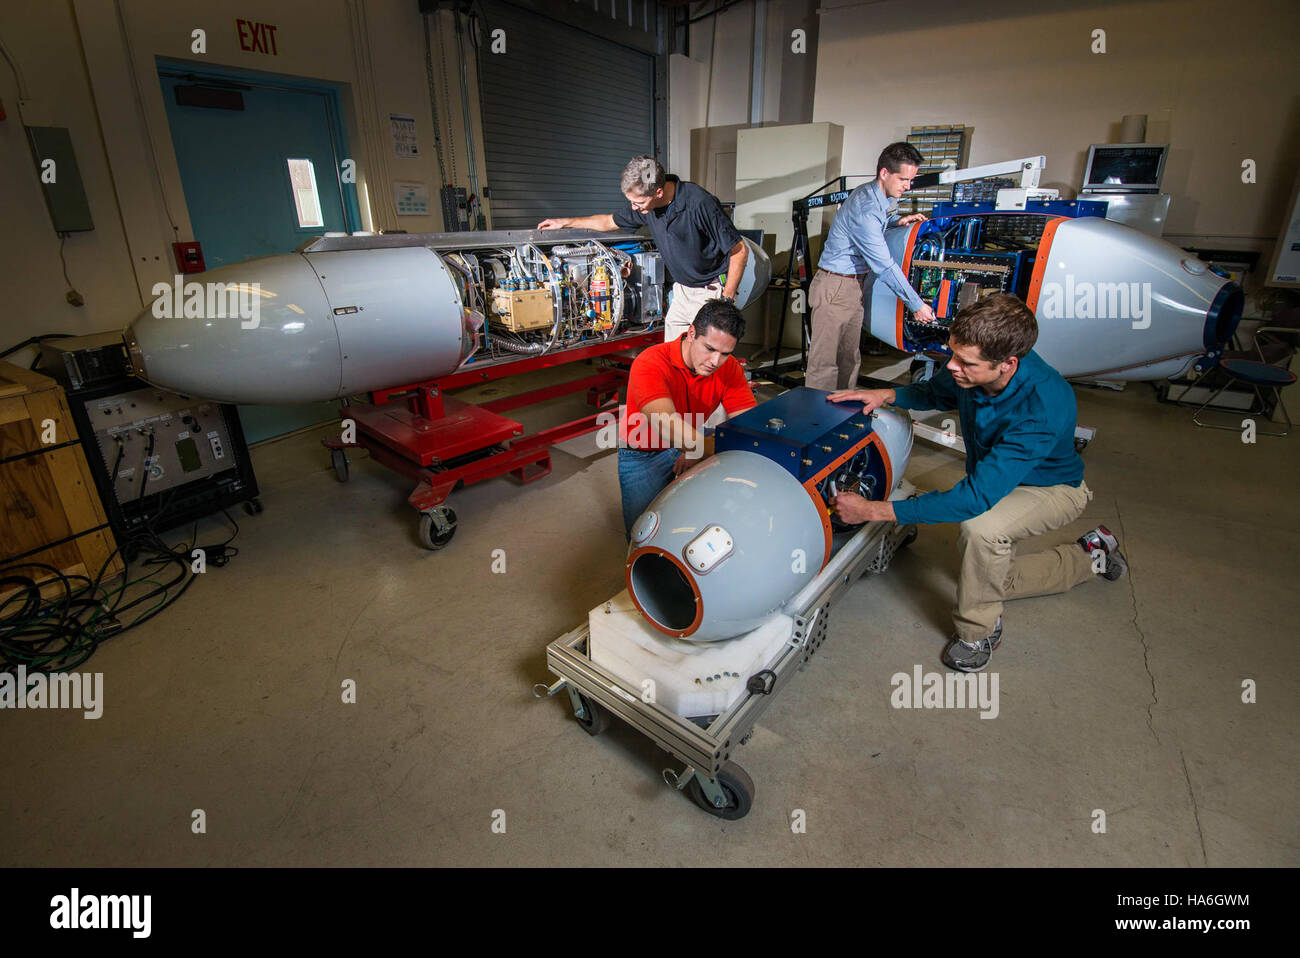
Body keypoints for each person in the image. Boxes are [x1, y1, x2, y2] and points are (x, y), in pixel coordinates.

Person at [826, 294, 1127, 673]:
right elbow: (933, 392)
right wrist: (887, 394)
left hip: (1051, 489)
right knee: (988, 579)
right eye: (952, 354)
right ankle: (1091, 556)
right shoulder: (972, 367)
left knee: (982, 531)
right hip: (999, 475)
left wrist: (873, 511)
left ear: (1007, 365)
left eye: (965, 362)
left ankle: (978, 631)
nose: (952, 366)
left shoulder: (1044, 404)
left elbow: (975, 498)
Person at [538, 155, 749, 342]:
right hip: (682, 291)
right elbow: (608, 221)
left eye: (638, 202)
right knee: (674, 357)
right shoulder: (647, 207)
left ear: (658, 191)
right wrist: (565, 222)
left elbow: (739, 250)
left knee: (704, 362)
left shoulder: (698, 203)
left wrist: (726, 301)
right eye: (630, 201)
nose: (634, 208)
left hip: (709, 292)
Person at [617, 299, 756, 537]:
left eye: (725, 353)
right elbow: (666, 425)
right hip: (643, 454)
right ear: (691, 333)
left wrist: (695, 450)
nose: (715, 362)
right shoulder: (650, 362)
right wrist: (703, 449)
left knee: (692, 525)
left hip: (689, 440)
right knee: (642, 536)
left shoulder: (728, 367)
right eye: (710, 349)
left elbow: (749, 426)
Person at [806, 141, 936, 391]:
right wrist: (916, 304)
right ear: (884, 173)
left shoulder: (880, 196)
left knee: (849, 359)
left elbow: (879, 223)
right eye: (903, 179)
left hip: (853, 286)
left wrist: (898, 221)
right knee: (825, 364)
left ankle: (840, 410)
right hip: (835, 286)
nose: (908, 186)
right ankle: (816, 420)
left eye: (911, 180)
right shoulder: (865, 207)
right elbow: (885, 266)